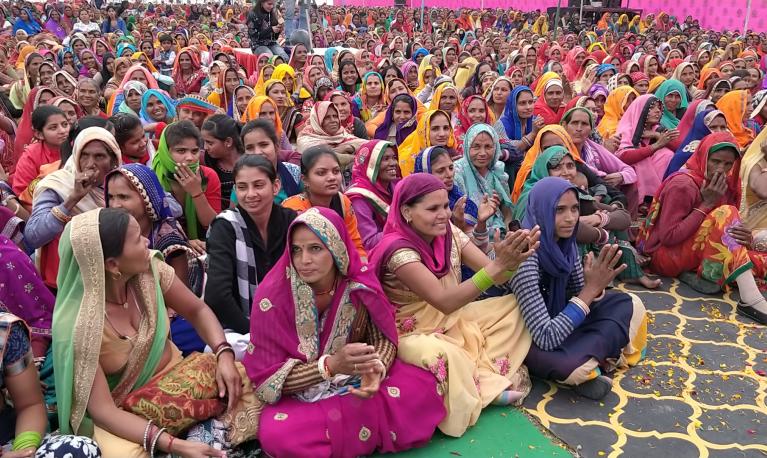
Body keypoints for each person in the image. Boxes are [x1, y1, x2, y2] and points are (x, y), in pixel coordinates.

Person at [52, 208, 254, 457]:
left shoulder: (149, 271)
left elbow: (197, 310)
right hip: (124, 411)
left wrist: (224, 354)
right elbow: (104, 411)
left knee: (245, 379)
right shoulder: (79, 325)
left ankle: (203, 435)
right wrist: (173, 444)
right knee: (125, 455)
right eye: (137, 239)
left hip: (181, 380)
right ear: (113, 264)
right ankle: (203, 436)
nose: (147, 242)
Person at [243, 207, 445, 456]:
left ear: (337, 247)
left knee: (422, 388)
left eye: (315, 248)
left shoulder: (358, 282)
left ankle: (347, 429)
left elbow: (382, 337)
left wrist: (374, 368)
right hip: (298, 397)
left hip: (353, 382)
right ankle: (363, 427)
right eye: (296, 250)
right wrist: (330, 366)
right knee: (278, 433)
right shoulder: (272, 296)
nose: (304, 260)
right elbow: (265, 381)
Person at [370, 172, 538, 437]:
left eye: (446, 206)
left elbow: (493, 271)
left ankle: (481, 375)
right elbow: (445, 301)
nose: (444, 214)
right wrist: (497, 267)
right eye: (433, 208)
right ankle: (484, 387)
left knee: (513, 307)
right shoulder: (397, 251)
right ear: (407, 212)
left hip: (451, 318)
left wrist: (514, 258)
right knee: (442, 354)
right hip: (409, 332)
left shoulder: (449, 233)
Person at [511, 175, 647, 399]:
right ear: (541, 211)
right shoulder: (525, 256)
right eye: (559, 210)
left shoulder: (566, 242)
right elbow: (545, 337)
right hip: (526, 336)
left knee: (630, 303)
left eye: (575, 209)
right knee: (568, 365)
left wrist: (595, 282)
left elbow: (578, 292)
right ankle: (595, 363)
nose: (570, 218)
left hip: (560, 318)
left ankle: (594, 364)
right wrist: (589, 290)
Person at [637, 132, 767, 325]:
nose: (721, 169)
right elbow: (669, 237)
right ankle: (750, 299)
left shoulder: (727, 183)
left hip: (698, 247)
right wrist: (706, 204)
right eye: (715, 161)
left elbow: (721, 232)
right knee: (726, 212)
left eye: (728, 164)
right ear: (703, 156)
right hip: (665, 255)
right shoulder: (683, 184)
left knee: (761, 255)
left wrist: (744, 238)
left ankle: (708, 274)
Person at [206, 154, 297, 336]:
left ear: (275, 186)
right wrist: (256, 333)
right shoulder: (225, 227)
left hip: (287, 317)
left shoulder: (290, 220)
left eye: (258, 185)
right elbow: (217, 296)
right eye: (242, 187)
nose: (250, 194)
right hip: (240, 326)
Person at [27, 127, 122, 290]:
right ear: (76, 156)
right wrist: (72, 199)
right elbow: (34, 235)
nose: (91, 163)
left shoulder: (123, 182)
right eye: (84, 155)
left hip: (114, 277)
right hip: (68, 283)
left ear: (114, 160)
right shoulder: (57, 185)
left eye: (99, 156)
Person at [283, 146, 367, 260]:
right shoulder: (293, 209)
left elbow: (355, 244)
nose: (332, 177)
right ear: (305, 180)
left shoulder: (343, 202)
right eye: (321, 173)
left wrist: (362, 271)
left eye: (336, 171)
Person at [151, 121, 221, 241]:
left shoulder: (208, 176)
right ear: (166, 151)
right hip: (167, 246)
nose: (190, 158)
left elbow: (214, 226)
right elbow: (151, 228)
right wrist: (185, 243)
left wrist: (196, 193)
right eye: (181, 151)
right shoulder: (152, 178)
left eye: (194, 151)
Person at [613, 94, 677, 207]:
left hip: (655, 180)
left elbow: (678, 148)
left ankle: (659, 199)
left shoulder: (657, 129)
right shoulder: (627, 130)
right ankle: (643, 201)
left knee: (666, 154)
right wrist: (655, 146)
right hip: (627, 181)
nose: (657, 111)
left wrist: (656, 135)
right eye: (652, 107)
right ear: (641, 110)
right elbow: (623, 157)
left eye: (659, 107)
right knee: (641, 161)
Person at [454, 123, 513, 235]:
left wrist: (508, 234)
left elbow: (507, 211)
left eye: (488, 147)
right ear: (467, 147)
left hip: (498, 232)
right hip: (469, 235)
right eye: (476, 146)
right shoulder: (458, 172)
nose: (482, 153)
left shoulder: (498, 170)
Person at [346, 140, 400, 250]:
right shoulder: (359, 198)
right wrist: (405, 227)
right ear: (370, 164)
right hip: (374, 255)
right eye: (385, 159)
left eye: (394, 158)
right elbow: (368, 242)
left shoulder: (396, 186)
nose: (393, 163)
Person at [240, 119, 301, 203]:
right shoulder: (241, 179)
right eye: (249, 148)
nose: (257, 152)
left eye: (263, 145)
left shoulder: (294, 172)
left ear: (276, 146)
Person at [664, 109, 728, 178]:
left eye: (723, 127)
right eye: (713, 127)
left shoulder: (728, 150)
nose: (719, 132)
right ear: (701, 128)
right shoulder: (689, 154)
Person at [201, 114, 244, 210]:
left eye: (210, 143)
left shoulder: (249, 160)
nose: (205, 147)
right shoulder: (206, 161)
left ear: (228, 142)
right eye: (204, 142)